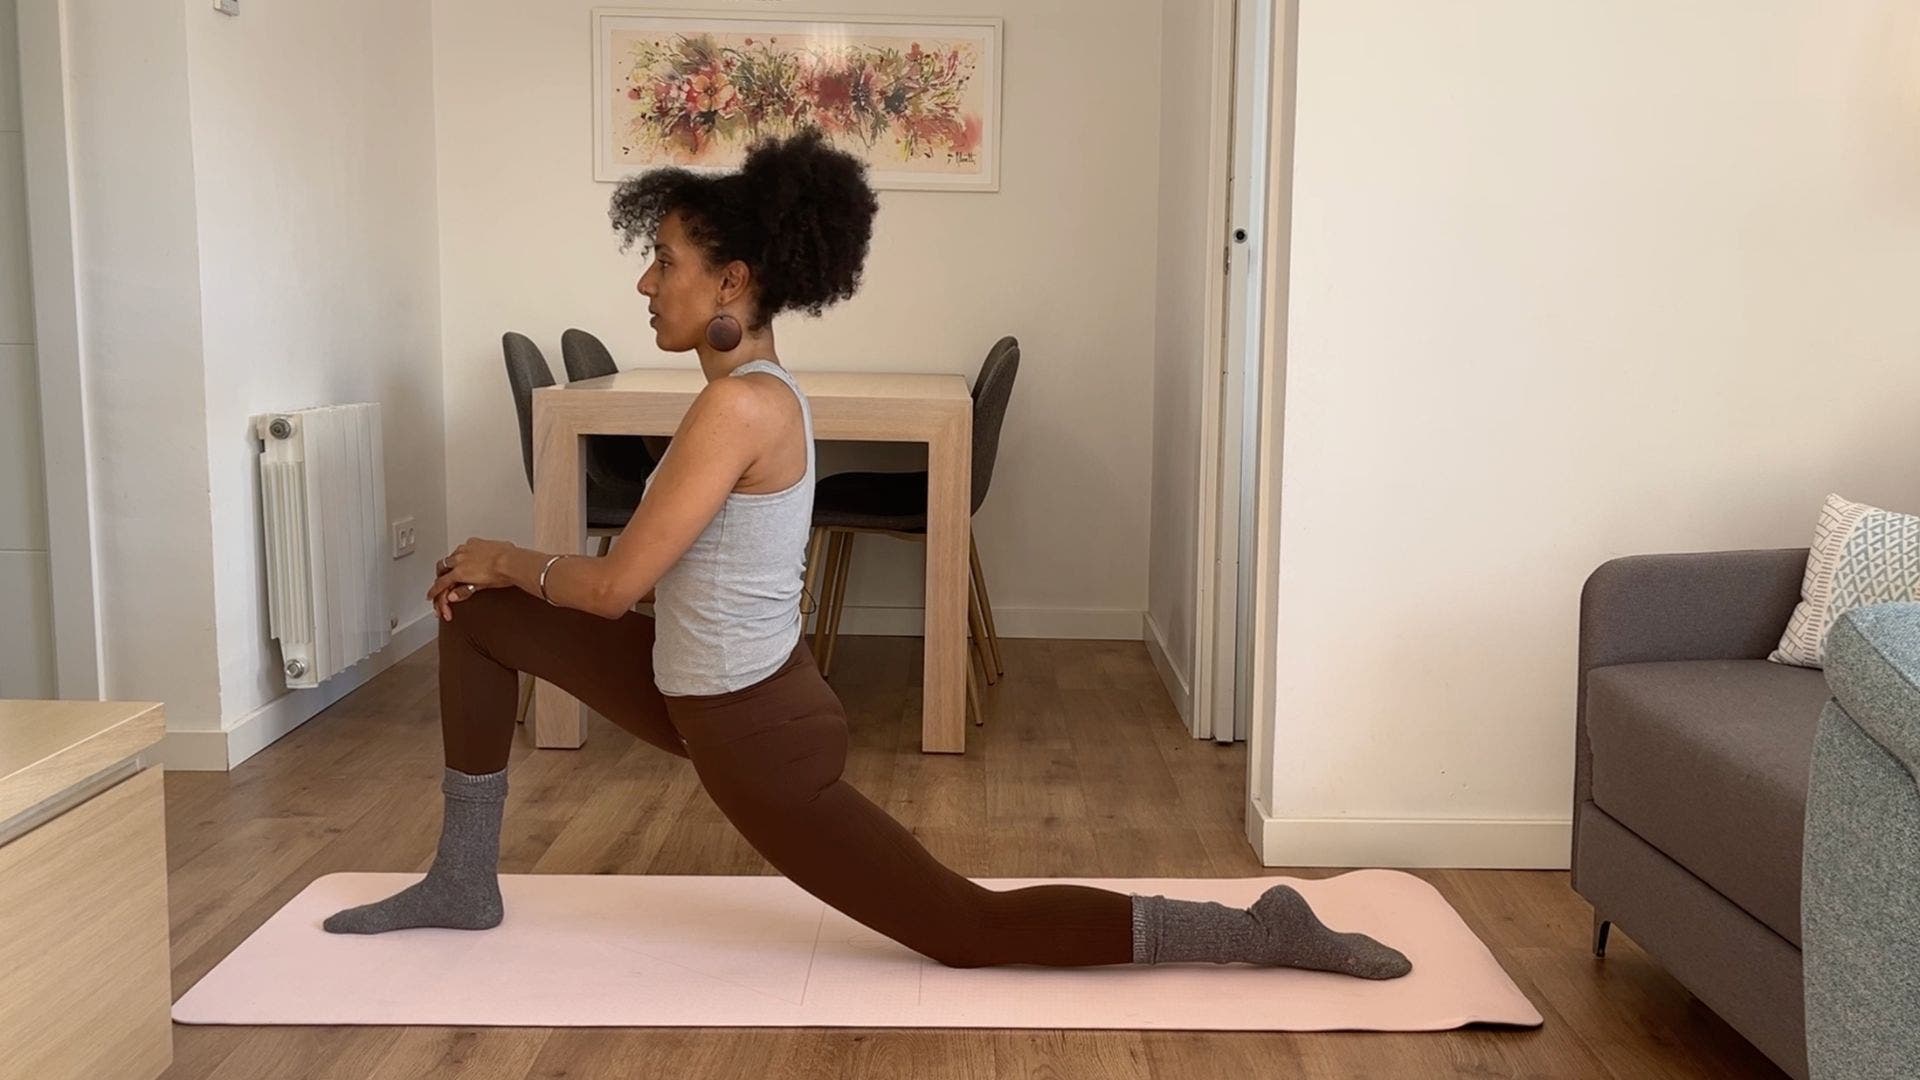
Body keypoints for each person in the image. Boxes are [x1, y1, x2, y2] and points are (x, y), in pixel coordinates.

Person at [321, 128, 1411, 979]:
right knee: (476, 611)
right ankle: (462, 879)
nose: (646, 285)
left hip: (756, 734)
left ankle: (1255, 929)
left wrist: (509, 552)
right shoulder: (747, 394)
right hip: (690, 688)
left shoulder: (738, 409)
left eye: (664, 263)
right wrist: (495, 576)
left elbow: (610, 588)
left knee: (968, 930)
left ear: (732, 283)